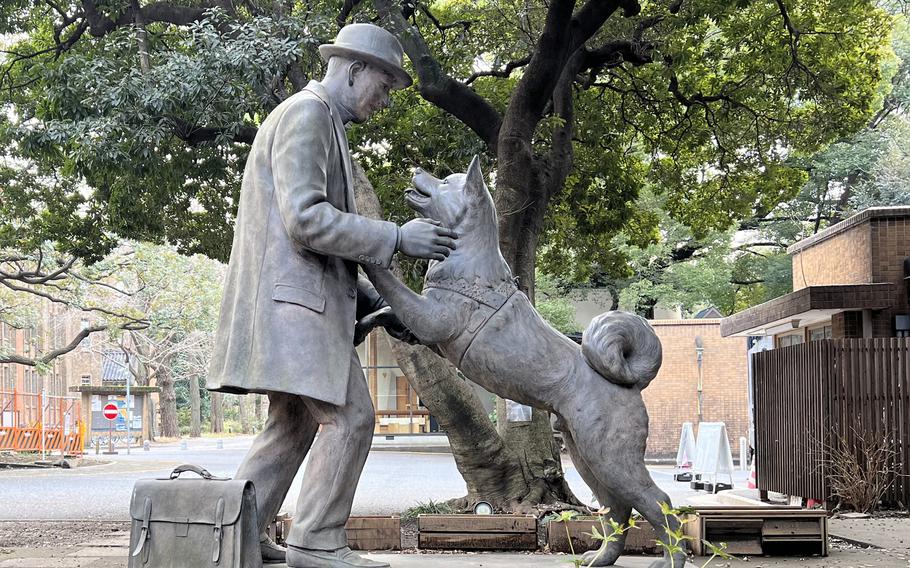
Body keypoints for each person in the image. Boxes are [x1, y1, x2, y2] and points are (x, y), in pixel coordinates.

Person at [206, 23, 457, 568]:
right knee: (352, 418)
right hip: (295, 313)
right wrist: (396, 236)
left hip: (291, 305)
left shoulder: (316, 118)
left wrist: (371, 300)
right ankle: (315, 542)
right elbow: (306, 221)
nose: (385, 100)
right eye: (385, 86)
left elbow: (306, 242)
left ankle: (233, 540)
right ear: (354, 69)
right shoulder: (308, 113)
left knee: (291, 425)